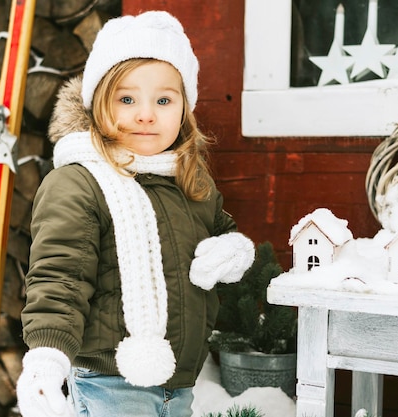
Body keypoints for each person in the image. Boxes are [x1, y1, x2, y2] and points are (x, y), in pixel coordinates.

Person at [16, 10, 255, 417]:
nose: (146, 114)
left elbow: (221, 228)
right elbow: (61, 278)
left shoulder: (189, 180)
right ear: (98, 104)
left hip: (179, 386)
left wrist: (231, 250)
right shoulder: (79, 182)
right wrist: (46, 360)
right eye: (127, 99)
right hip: (108, 385)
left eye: (163, 100)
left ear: (184, 108)